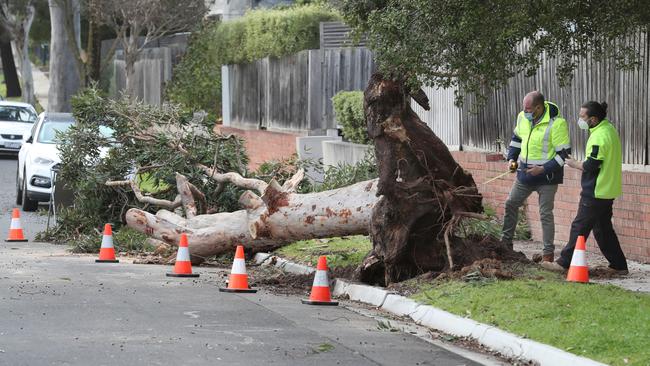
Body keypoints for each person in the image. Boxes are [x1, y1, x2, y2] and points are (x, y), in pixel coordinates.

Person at [542, 101, 628, 275]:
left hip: (596, 190)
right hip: (607, 189)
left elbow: (592, 165)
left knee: (579, 226)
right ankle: (619, 265)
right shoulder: (608, 129)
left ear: (593, 119)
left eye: (583, 117)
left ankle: (563, 263)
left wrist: (574, 163)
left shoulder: (599, 136)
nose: (580, 120)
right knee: (602, 229)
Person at [502, 91, 571, 262]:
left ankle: (548, 254)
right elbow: (516, 139)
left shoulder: (557, 123)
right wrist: (512, 158)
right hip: (524, 175)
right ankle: (505, 244)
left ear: (539, 108)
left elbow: (564, 154)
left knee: (545, 213)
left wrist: (543, 169)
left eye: (528, 109)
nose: (525, 112)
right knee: (511, 203)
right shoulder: (522, 117)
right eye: (524, 108)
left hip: (547, 178)